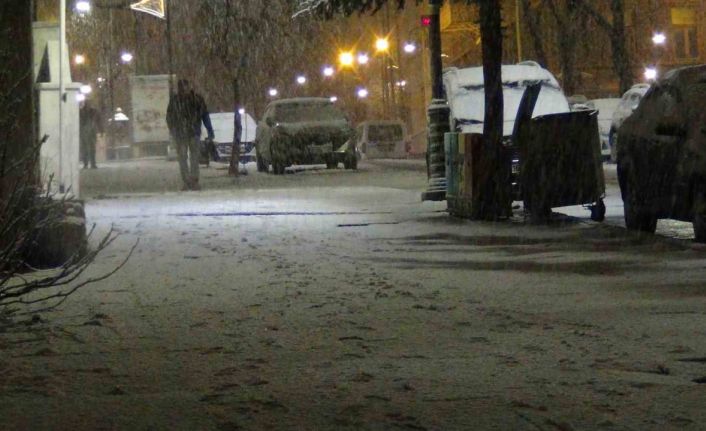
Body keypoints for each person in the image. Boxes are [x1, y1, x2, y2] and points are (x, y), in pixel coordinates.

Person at [166, 79, 215, 191]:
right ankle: (188, 181)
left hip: (192, 133)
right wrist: (174, 130)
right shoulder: (177, 101)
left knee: (192, 158)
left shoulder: (194, 100)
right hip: (183, 133)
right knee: (185, 158)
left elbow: (205, 115)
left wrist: (210, 130)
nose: (184, 91)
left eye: (185, 88)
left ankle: (192, 181)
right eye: (182, 89)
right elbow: (169, 118)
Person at [79, 100, 102, 169]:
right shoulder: (81, 111)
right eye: (87, 104)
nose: (88, 105)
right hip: (85, 132)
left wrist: (101, 130)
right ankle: (87, 163)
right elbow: (98, 121)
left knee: (90, 148)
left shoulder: (93, 112)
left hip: (90, 131)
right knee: (85, 148)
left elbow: (98, 121)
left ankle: (91, 163)